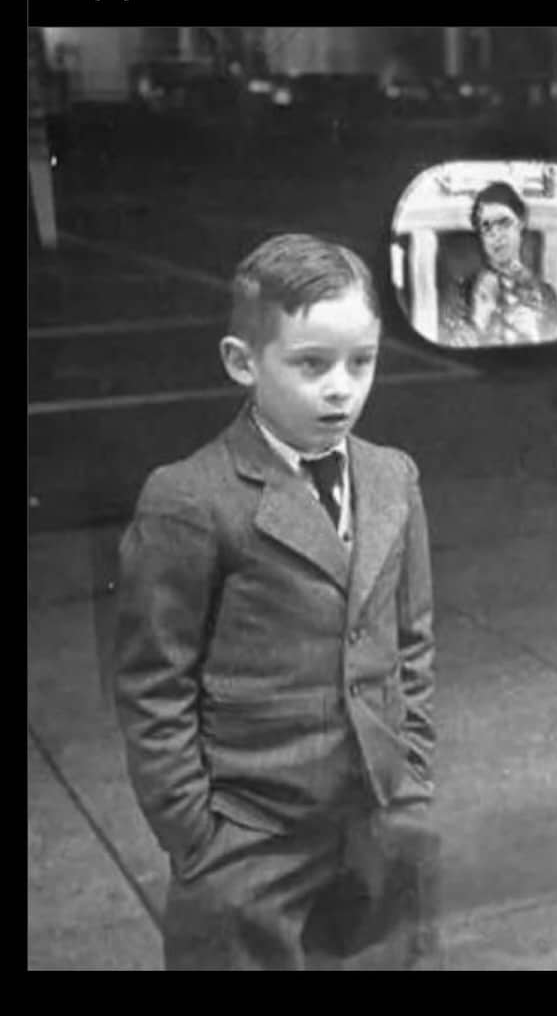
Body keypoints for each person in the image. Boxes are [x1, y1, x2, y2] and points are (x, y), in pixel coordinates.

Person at [115, 234, 437, 971]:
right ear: (242, 362)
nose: (342, 388)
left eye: (363, 362)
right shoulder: (191, 498)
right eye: (311, 364)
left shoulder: (393, 479)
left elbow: (411, 640)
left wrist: (411, 776)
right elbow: (153, 683)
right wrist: (197, 836)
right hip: (250, 838)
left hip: (377, 821)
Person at [439, 180, 557, 347]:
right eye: (486, 226)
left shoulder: (547, 295)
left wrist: (536, 336)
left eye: (504, 223)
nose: (496, 235)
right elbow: (447, 357)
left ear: (520, 223)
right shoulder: (461, 292)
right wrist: (477, 323)